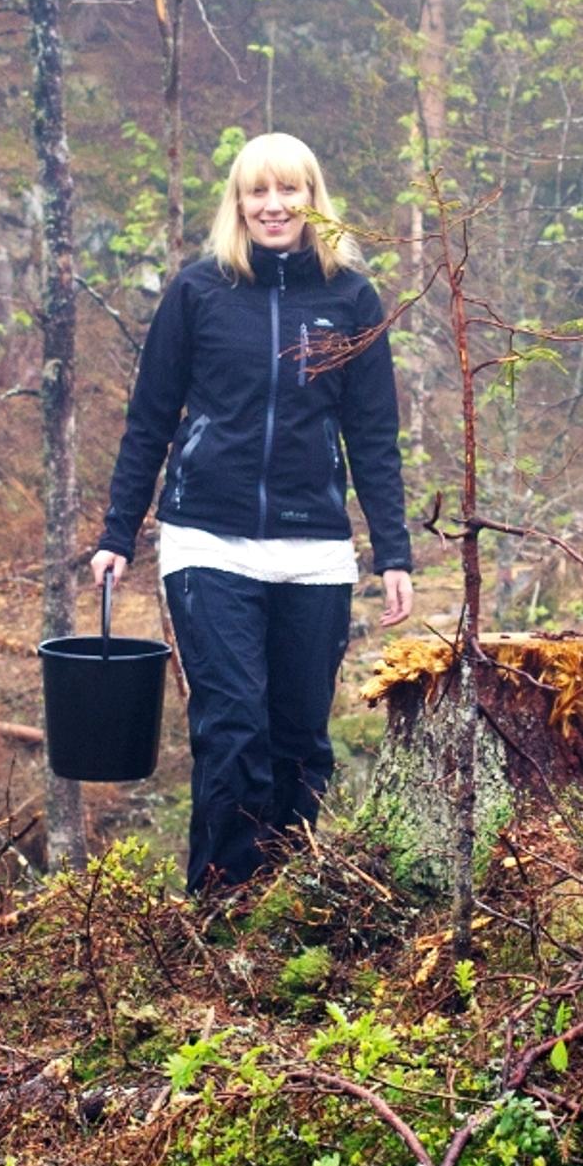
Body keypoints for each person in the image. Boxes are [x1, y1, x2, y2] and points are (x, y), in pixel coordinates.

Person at [92, 133, 414, 893]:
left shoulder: (351, 300)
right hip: (208, 539)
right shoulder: (199, 291)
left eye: (289, 191)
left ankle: (286, 899)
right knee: (234, 727)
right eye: (257, 192)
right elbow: (150, 418)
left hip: (315, 551)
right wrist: (117, 531)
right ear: (238, 203)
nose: (273, 206)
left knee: (300, 739)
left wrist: (392, 552)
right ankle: (222, 902)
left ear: (312, 200)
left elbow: (372, 436)